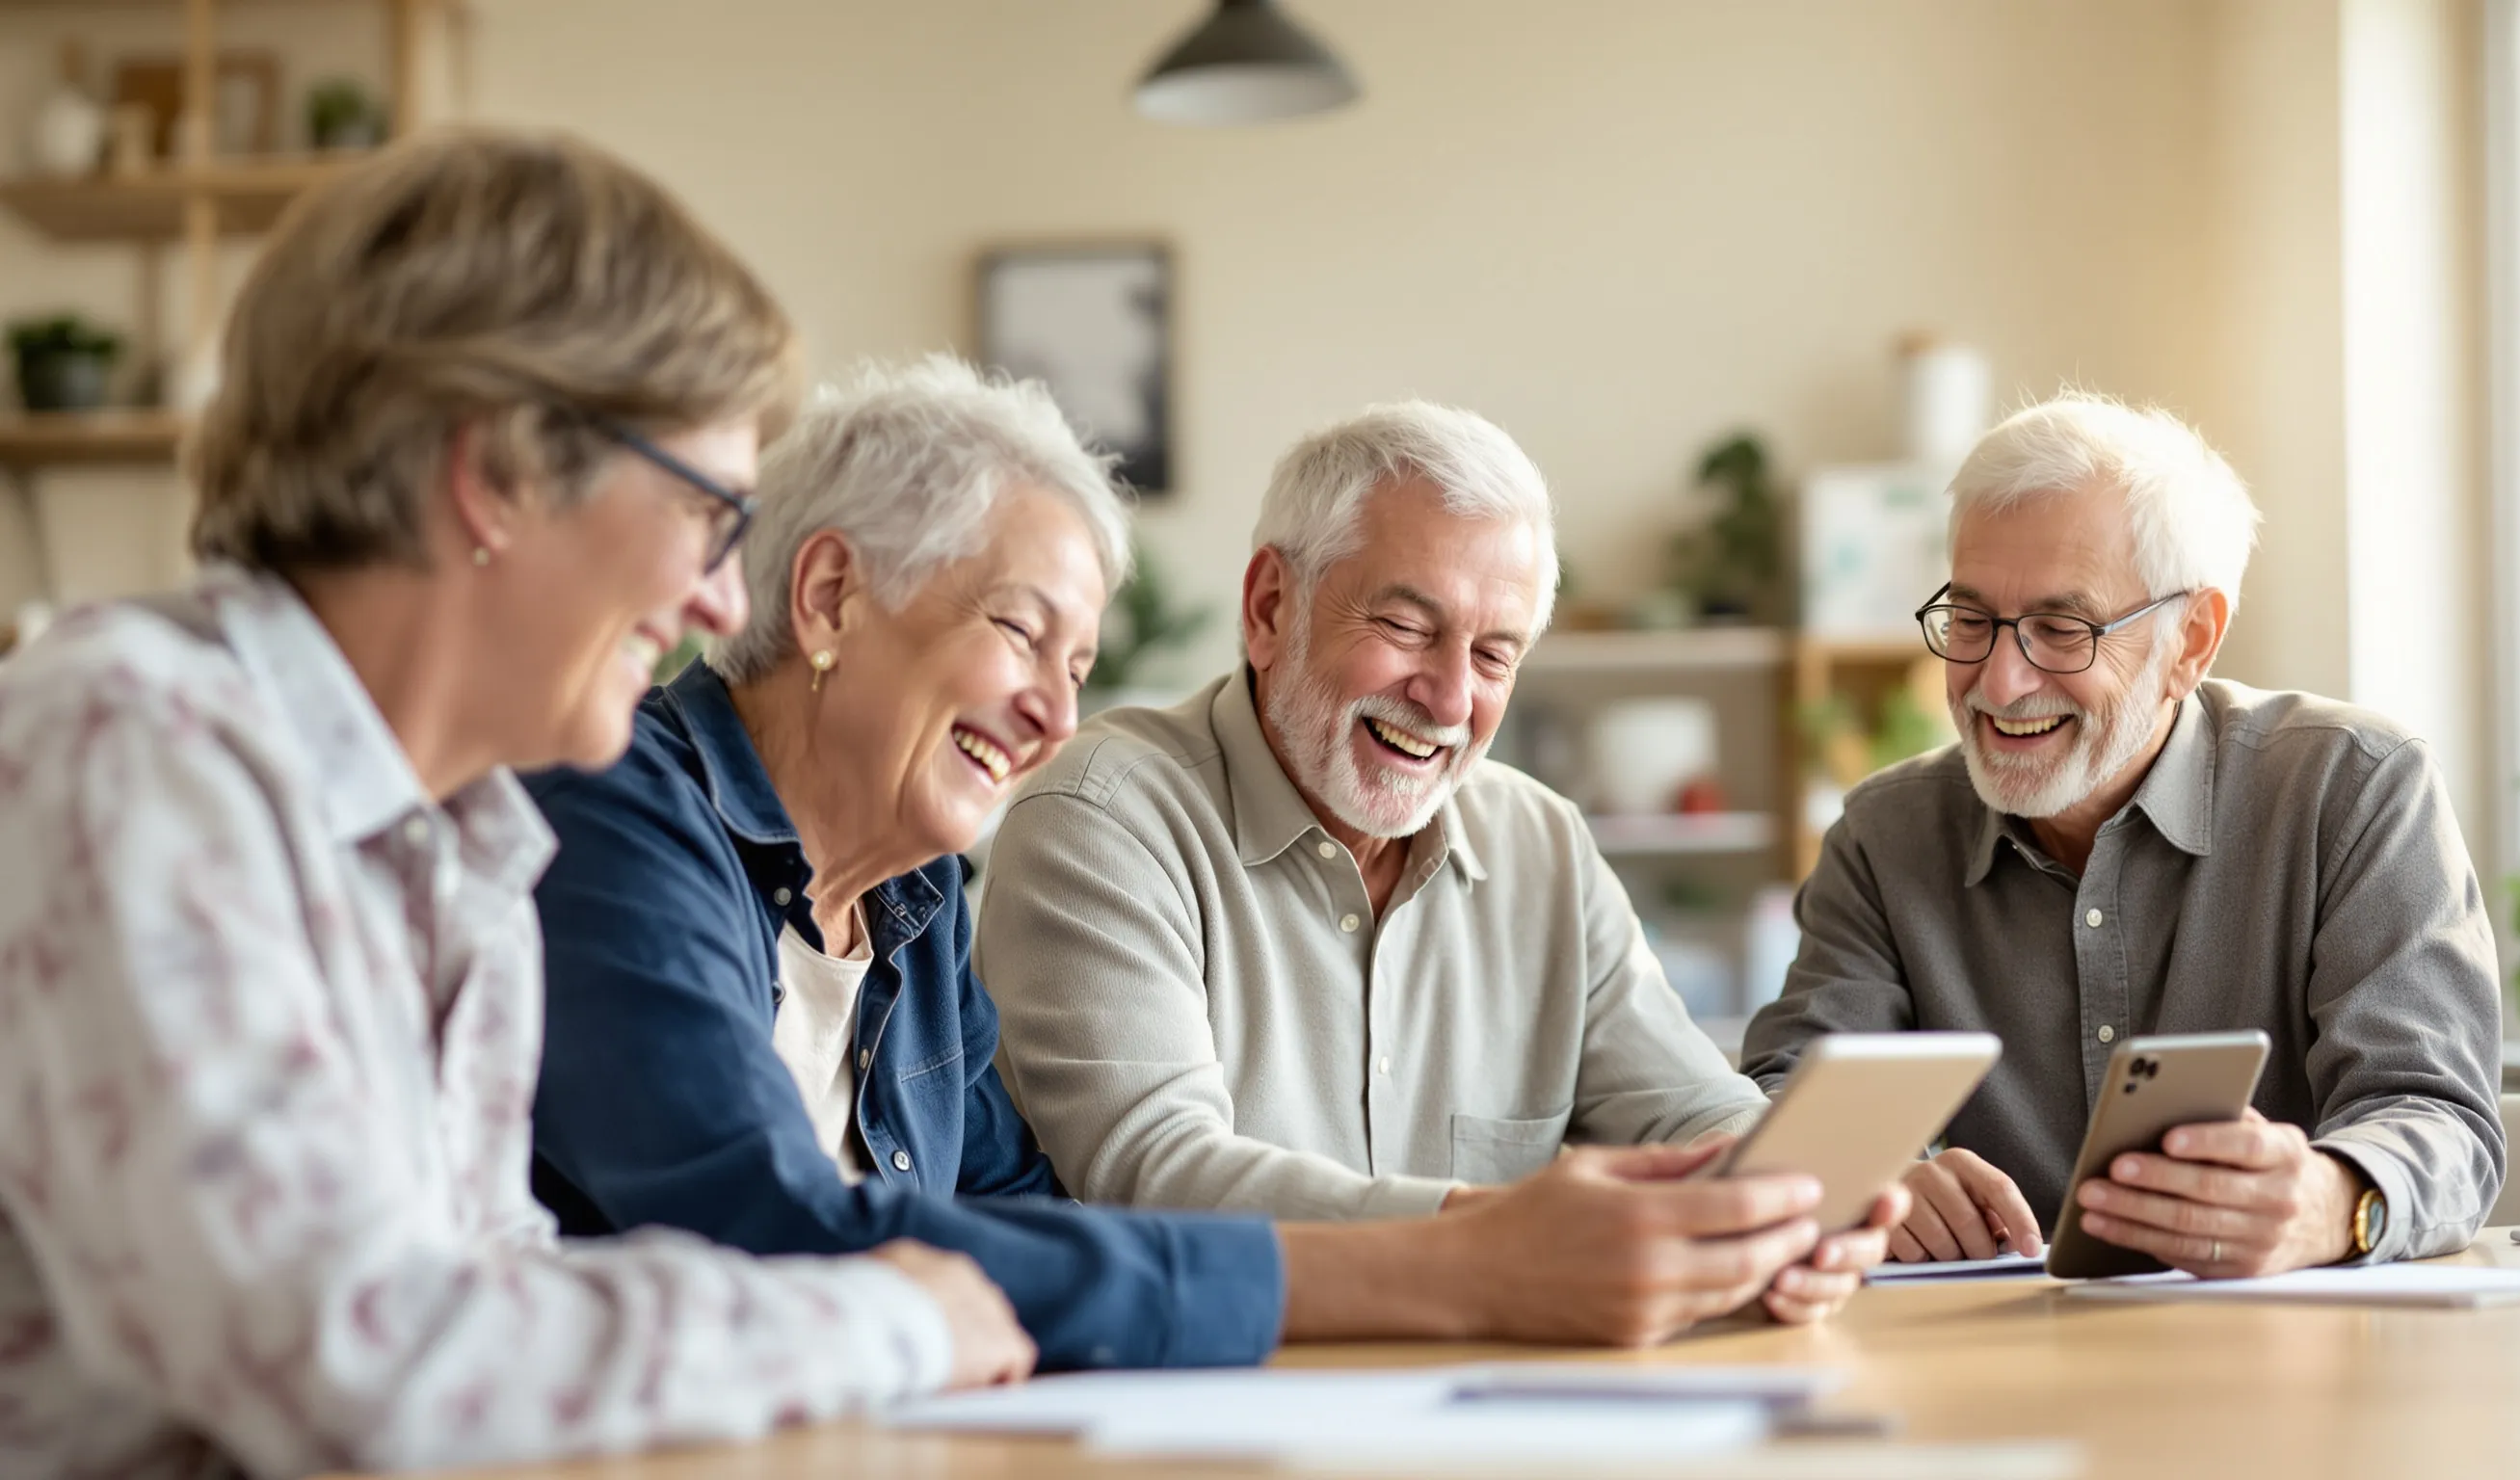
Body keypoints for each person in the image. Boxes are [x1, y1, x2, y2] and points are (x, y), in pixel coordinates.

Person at [0, 129, 1037, 1480]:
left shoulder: (467, 838)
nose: (726, 603)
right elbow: (360, 1353)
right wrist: (883, 1320)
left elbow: (498, 1297)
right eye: (710, 515)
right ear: (494, 471)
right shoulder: (126, 744)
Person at [525, 357, 1878, 1360]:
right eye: (1019, 631)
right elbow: (781, 1232)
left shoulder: (909, 902)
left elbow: (1028, 1219)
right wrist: (1472, 1263)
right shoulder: (619, 809)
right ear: (827, 598)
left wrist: (1783, 1203)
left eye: (1078, 661)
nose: (1058, 715)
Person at [978, 401, 1901, 1325]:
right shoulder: (1101, 814)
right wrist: (1501, 1241)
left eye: (1494, 654)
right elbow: (1154, 1174)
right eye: (1408, 628)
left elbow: (1692, 1110)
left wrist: (1795, 1202)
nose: (1451, 697)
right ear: (1269, 610)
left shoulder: (1544, 845)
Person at [1740, 394, 2504, 1276]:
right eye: (1973, 619)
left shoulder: (2354, 787)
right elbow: (1780, 1098)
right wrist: (1871, 1176)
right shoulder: (1884, 836)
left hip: (2283, 1364)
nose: (2000, 680)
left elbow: (2438, 1117)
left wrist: (2333, 1200)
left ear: (2192, 641)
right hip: (1976, 1368)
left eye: (2062, 630)